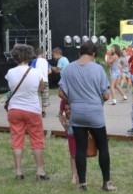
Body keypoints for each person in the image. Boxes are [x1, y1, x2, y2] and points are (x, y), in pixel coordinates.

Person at [58, 40, 115, 192]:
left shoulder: (69, 68)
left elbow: (61, 93)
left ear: (80, 52)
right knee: (103, 147)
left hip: (77, 113)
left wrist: (72, 100)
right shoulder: (98, 69)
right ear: (94, 53)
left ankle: (82, 184)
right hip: (95, 113)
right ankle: (106, 183)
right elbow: (106, 95)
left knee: (80, 148)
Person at [6, 44, 49, 180]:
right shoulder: (36, 72)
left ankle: (18, 171)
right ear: (30, 56)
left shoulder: (10, 72)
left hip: (14, 108)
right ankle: (40, 171)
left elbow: (11, 88)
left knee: (17, 139)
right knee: (37, 140)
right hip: (32, 108)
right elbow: (40, 88)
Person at [58, 98, 79, 185]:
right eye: (66, 109)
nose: (68, 111)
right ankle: (74, 175)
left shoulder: (78, 98)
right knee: (73, 154)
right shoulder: (64, 100)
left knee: (81, 154)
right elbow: (60, 114)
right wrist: (64, 125)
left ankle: (81, 174)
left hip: (81, 128)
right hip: (70, 129)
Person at [32, 48, 51, 117]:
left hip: (37, 80)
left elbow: (32, 70)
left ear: (35, 54)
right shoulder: (46, 61)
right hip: (45, 80)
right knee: (45, 96)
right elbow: (50, 71)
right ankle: (43, 112)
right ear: (42, 54)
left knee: (36, 95)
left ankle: (35, 111)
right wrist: (44, 74)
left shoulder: (34, 61)